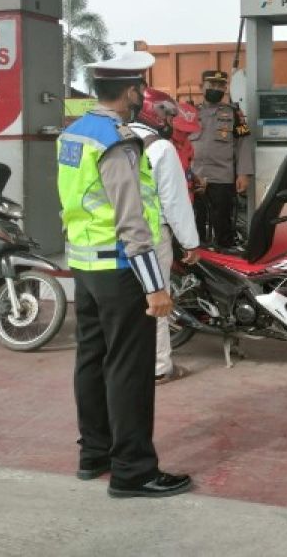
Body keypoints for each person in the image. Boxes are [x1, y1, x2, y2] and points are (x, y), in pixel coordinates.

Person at [58, 52, 192, 499]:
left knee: (91, 361)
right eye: (139, 89)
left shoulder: (73, 133)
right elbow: (132, 220)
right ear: (132, 91)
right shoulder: (117, 140)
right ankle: (133, 471)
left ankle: (94, 454)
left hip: (84, 265)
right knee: (129, 370)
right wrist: (155, 286)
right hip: (120, 269)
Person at [128, 88, 201, 385]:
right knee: (157, 300)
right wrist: (190, 242)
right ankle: (159, 366)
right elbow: (174, 202)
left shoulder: (116, 137)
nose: (170, 120)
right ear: (152, 112)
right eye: (167, 114)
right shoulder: (161, 148)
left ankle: (129, 363)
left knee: (127, 304)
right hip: (151, 236)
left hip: (114, 237)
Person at [191, 69, 253, 248]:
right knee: (195, 222)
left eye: (221, 85)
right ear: (201, 87)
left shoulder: (234, 114)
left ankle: (224, 258)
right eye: (212, 85)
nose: (217, 88)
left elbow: (243, 143)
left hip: (223, 178)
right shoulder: (190, 114)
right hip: (194, 177)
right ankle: (198, 260)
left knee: (223, 224)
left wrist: (243, 174)